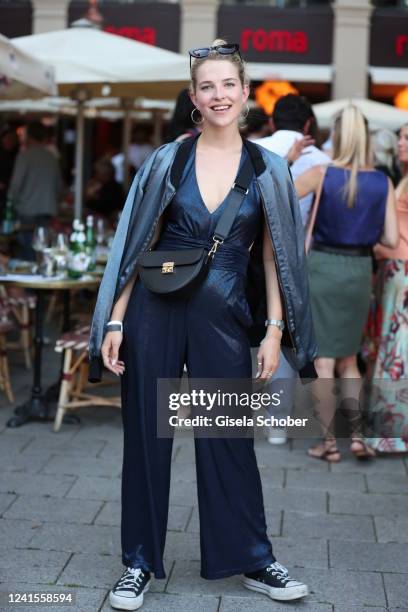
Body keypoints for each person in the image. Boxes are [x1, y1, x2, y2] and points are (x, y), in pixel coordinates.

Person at [89, 39, 317, 610]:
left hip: (225, 317)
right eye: (207, 86)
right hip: (154, 312)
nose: (218, 95)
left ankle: (252, 558)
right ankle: (138, 561)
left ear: (245, 93)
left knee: (230, 438)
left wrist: (271, 330)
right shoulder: (171, 160)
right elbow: (138, 243)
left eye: (228, 85)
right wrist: (115, 322)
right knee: (146, 435)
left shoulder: (268, 168)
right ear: (194, 96)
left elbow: (275, 256)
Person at [295, 105, 399, 462]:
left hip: (322, 268)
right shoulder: (382, 182)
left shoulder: (320, 174)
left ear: (336, 136)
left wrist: (289, 158)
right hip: (358, 272)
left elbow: (277, 199)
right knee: (349, 360)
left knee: (322, 361)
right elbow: (389, 236)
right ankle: (355, 437)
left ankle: (327, 444)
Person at [365, 123, 408, 454]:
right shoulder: (400, 177)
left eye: (407, 138)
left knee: (398, 350)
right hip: (391, 271)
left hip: (402, 272)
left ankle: (395, 432)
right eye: (401, 137)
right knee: (391, 346)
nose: (400, 143)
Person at [255, 94, 330, 226]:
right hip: (297, 237)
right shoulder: (323, 160)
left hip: (251, 235)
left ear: (271, 122)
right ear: (307, 124)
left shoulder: (250, 148)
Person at [8, 121, 64, 260]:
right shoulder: (52, 158)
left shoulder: (25, 156)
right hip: (47, 213)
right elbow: (59, 188)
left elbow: (15, 186)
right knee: (44, 255)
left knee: (28, 256)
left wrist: (12, 206)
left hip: (27, 214)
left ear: (28, 136)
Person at [85, 157, 124, 221]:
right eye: (98, 172)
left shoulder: (115, 187)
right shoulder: (93, 184)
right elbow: (87, 203)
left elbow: (116, 209)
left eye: (106, 173)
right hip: (92, 218)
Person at [0, 124, 19, 214]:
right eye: (7, 138)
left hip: (12, 191)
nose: (9, 141)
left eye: (11, 139)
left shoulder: (17, 155)